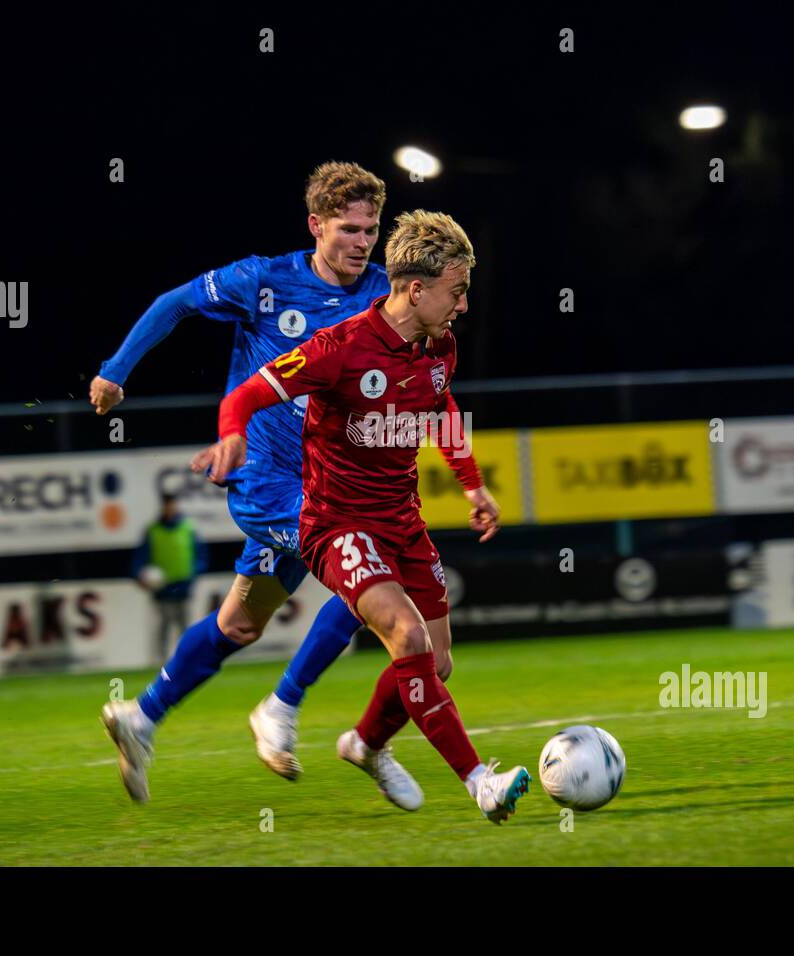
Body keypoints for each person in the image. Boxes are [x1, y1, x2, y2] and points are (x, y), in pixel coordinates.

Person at [97, 162, 466, 804]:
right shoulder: (262, 280)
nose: (361, 242)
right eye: (348, 229)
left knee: (241, 624)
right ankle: (284, 707)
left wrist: (462, 466)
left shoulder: (387, 293)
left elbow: (432, 382)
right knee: (368, 578)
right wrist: (116, 371)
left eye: (371, 229)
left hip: (330, 483)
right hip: (270, 485)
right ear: (316, 225)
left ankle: (142, 715)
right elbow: (175, 303)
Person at [197, 209, 531, 823]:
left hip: (402, 520)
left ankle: (365, 744)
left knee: (437, 661)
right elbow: (245, 394)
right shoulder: (340, 348)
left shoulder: (440, 346)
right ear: (415, 289)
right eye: (456, 292)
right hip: (335, 524)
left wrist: (472, 484)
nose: (462, 306)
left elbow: (441, 408)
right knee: (406, 637)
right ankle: (481, 780)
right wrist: (231, 435)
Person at [131, 493, 208, 662]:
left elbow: (201, 557)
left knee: (186, 631)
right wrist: (140, 576)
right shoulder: (152, 531)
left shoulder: (188, 528)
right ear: (163, 507)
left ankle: (189, 662)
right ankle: (161, 664)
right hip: (162, 591)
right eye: (167, 505)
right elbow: (140, 559)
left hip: (184, 589)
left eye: (172, 504)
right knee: (162, 631)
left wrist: (192, 575)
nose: (170, 508)